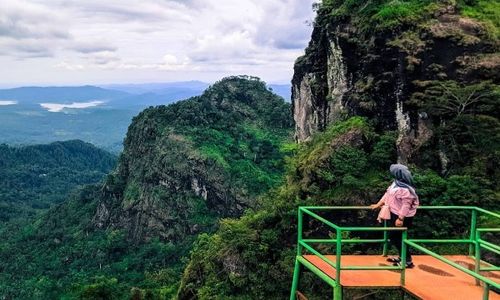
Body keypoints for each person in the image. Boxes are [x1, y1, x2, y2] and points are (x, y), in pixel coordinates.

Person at [371, 164, 419, 268]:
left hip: (402, 217)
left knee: (397, 237)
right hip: (394, 213)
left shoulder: (406, 189)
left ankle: (407, 261)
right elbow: (387, 194)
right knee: (396, 237)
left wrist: (400, 218)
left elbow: (406, 205)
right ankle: (403, 257)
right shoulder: (396, 183)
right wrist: (379, 204)